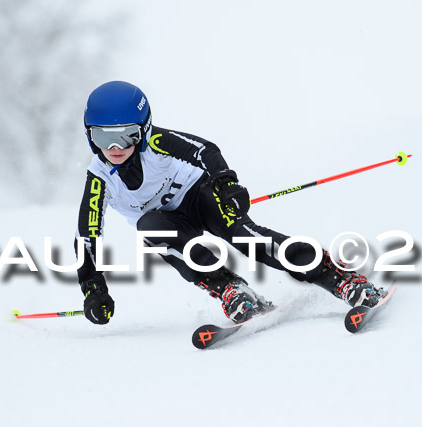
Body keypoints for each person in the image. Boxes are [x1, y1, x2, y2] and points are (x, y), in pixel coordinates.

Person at [75, 81, 383, 325]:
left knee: (248, 240)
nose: (115, 147)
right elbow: (87, 237)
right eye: (102, 138)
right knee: (150, 228)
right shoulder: (100, 178)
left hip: (198, 196)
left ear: (143, 129)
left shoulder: (156, 142)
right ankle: (231, 289)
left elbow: (205, 151)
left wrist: (226, 184)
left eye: (127, 135)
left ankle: (339, 278)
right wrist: (94, 289)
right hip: (168, 224)